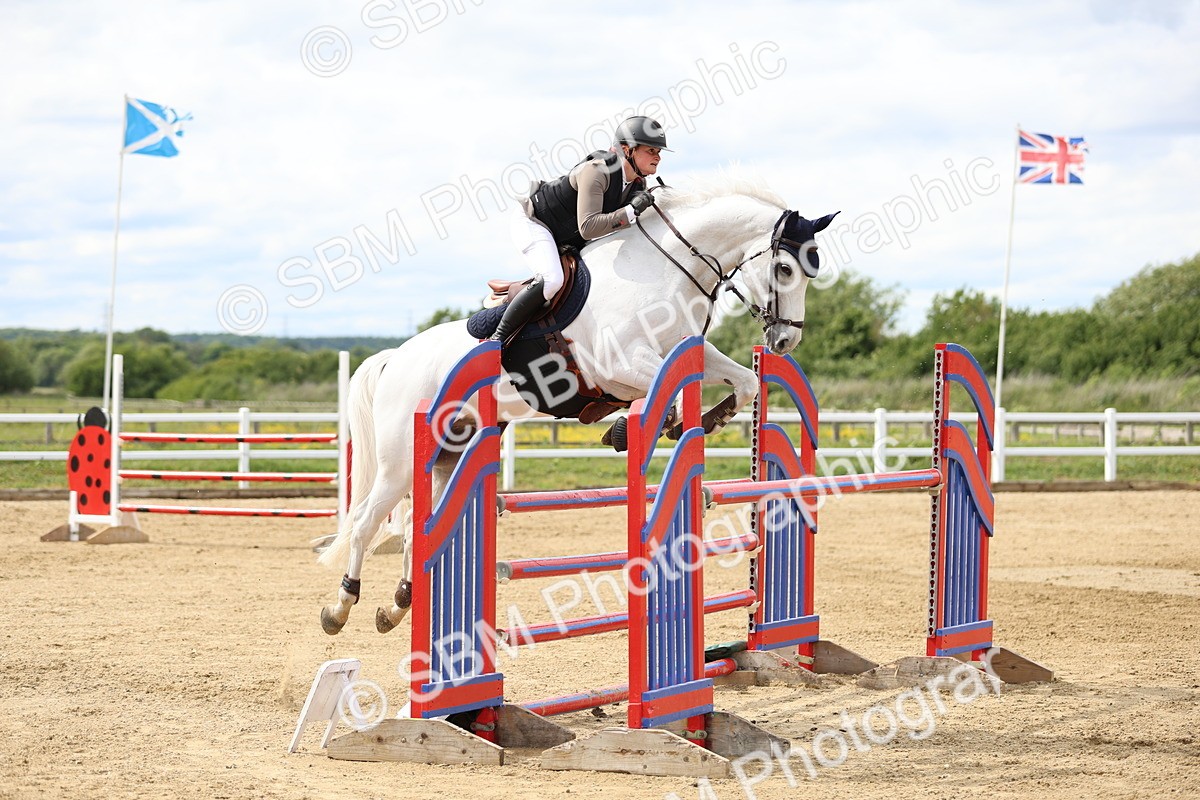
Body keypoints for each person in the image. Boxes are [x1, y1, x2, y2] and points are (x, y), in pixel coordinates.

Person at [490, 115, 670, 344]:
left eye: (659, 152)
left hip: (567, 238)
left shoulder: (637, 185)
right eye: (651, 150)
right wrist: (630, 212)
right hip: (535, 222)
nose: (658, 157)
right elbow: (588, 227)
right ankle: (496, 341)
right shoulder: (598, 170)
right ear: (627, 150)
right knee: (552, 280)